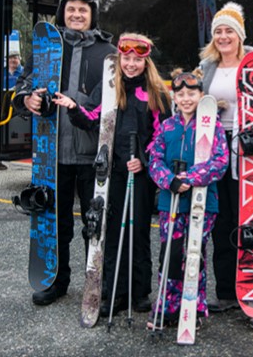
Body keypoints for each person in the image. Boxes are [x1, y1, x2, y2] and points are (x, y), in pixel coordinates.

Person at [12, 0, 116, 306]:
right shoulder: (46, 48)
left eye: (82, 10)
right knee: (54, 223)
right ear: (63, 13)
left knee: (94, 223)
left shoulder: (106, 53)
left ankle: (95, 283)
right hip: (51, 154)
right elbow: (21, 86)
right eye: (70, 9)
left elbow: (108, 104)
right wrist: (24, 99)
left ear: (91, 15)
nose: (76, 14)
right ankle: (55, 281)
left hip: (90, 155)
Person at [53, 33, 172, 315]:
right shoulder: (109, 87)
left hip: (139, 172)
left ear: (146, 61)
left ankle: (139, 291)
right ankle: (113, 291)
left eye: (137, 59)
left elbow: (161, 134)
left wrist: (143, 161)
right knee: (114, 231)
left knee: (139, 230)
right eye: (126, 59)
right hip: (113, 171)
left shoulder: (155, 92)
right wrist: (74, 109)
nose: (131, 64)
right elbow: (95, 118)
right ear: (120, 60)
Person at [199, 1, 253, 331]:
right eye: (218, 31)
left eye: (229, 30)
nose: (223, 36)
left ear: (240, 35)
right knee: (221, 222)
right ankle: (227, 292)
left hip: (251, 150)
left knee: (251, 221)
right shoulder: (206, 66)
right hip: (215, 147)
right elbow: (192, 103)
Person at [146, 69, 228, 329]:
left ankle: (194, 305)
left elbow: (220, 162)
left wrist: (189, 177)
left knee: (194, 254)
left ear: (201, 95)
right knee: (171, 254)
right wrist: (169, 180)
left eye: (191, 93)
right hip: (170, 201)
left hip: (203, 202)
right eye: (180, 94)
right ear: (174, 97)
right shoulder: (167, 126)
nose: (186, 99)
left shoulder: (213, 125)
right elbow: (154, 159)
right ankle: (168, 307)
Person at [0, 50, 24, 170]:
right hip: (2, 106)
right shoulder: (0, 71)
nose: (13, 60)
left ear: (19, 59)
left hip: (17, 107)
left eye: (15, 58)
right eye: (11, 58)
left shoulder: (23, 72)